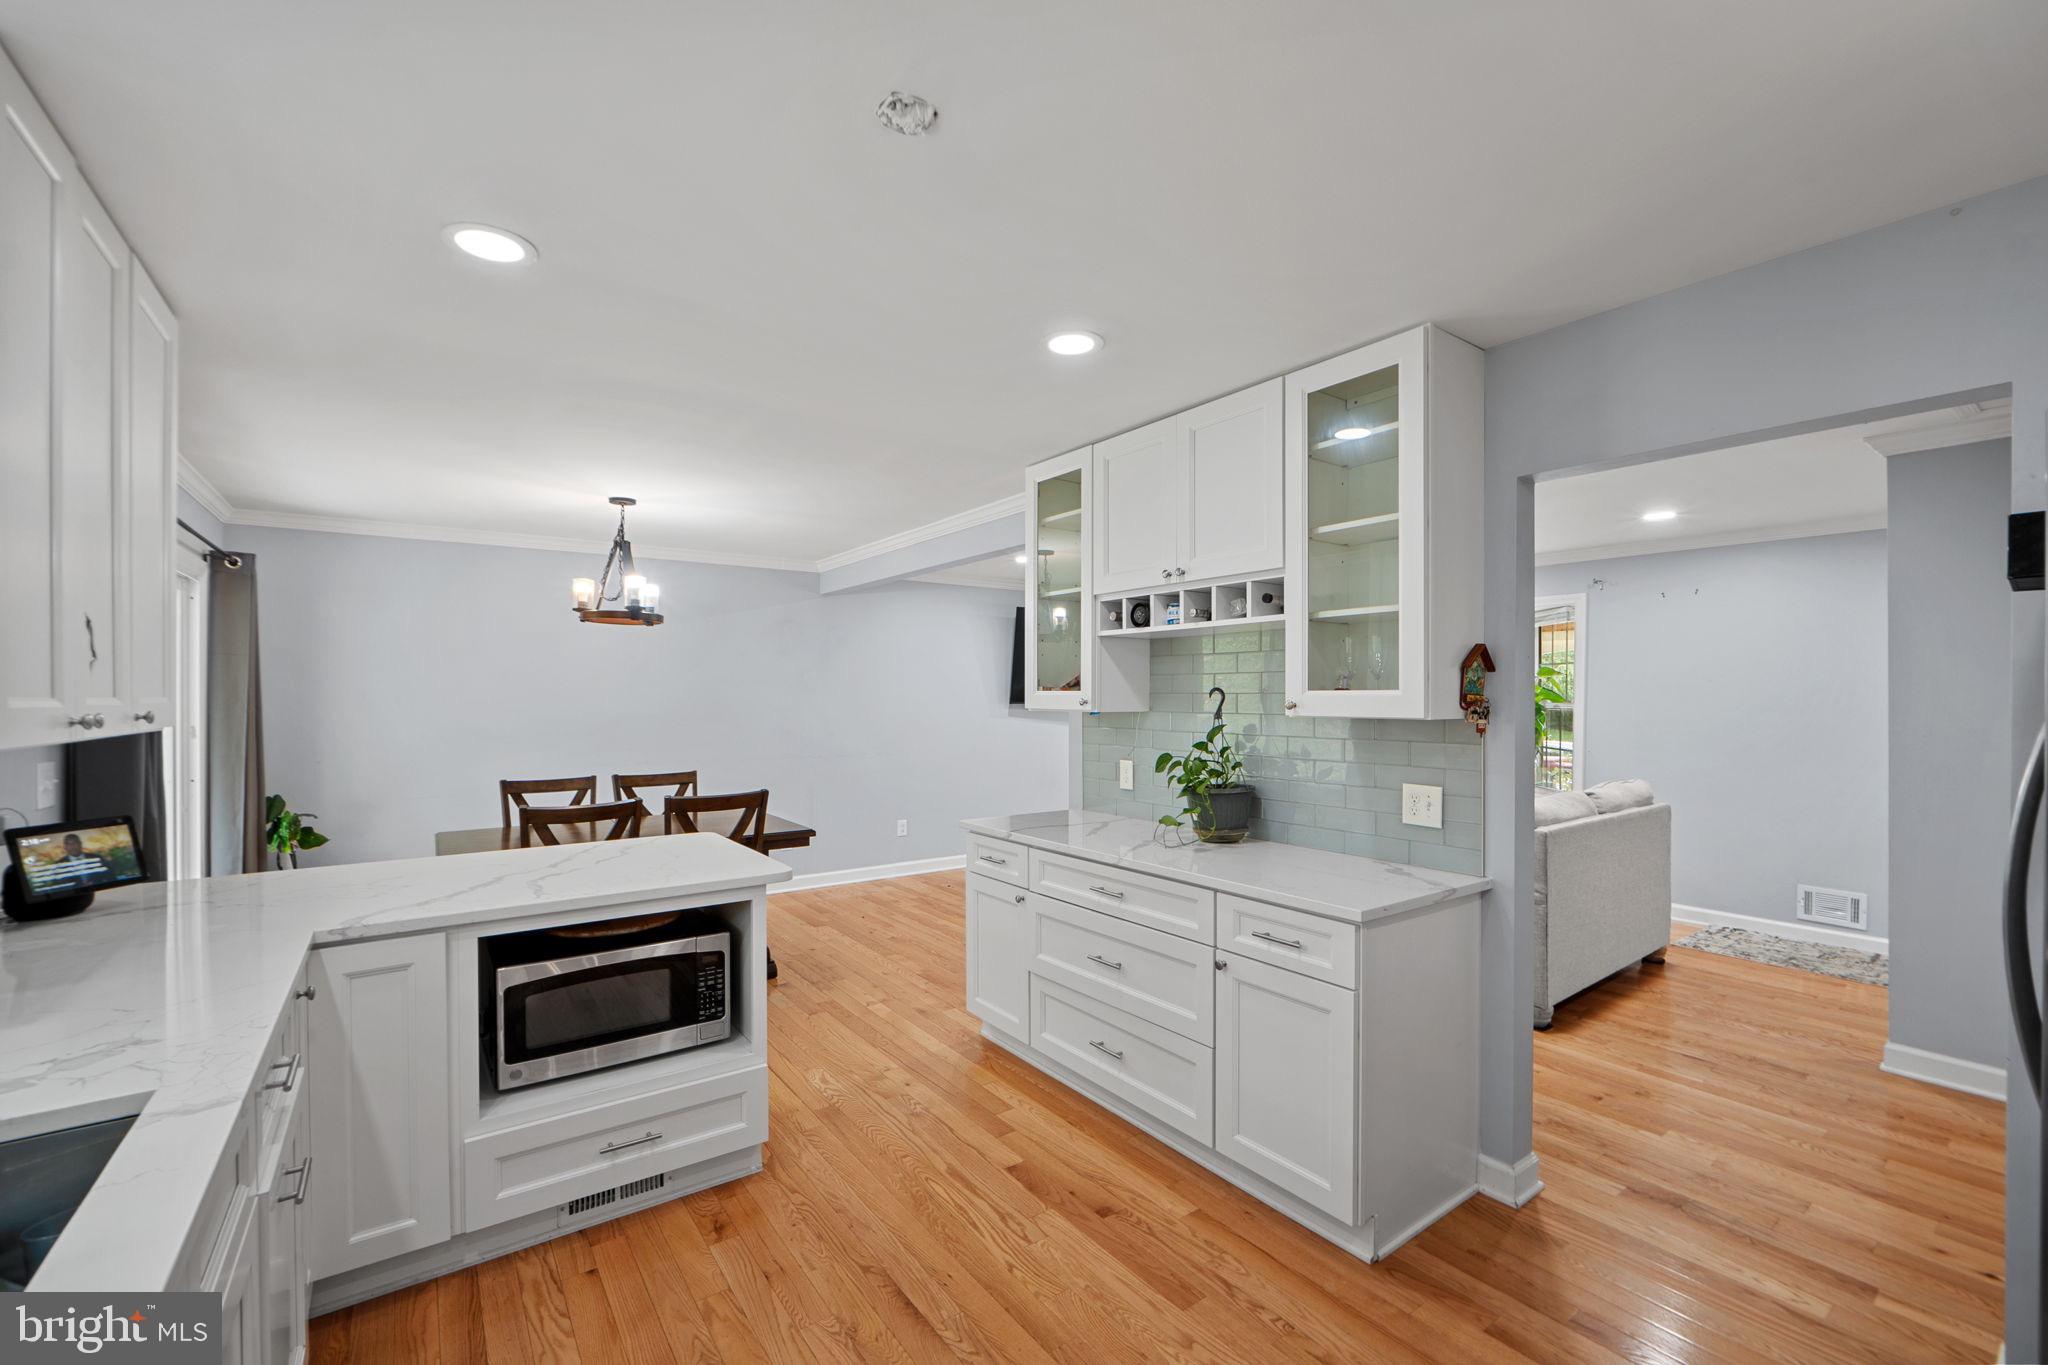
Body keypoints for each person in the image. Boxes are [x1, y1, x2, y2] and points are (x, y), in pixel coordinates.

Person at [32, 833, 112, 894]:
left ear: (80, 844)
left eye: (75, 843)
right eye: (69, 844)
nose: (72, 846)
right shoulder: (58, 865)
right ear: (65, 847)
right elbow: (58, 886)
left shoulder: (97, 858)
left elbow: (110, 876)